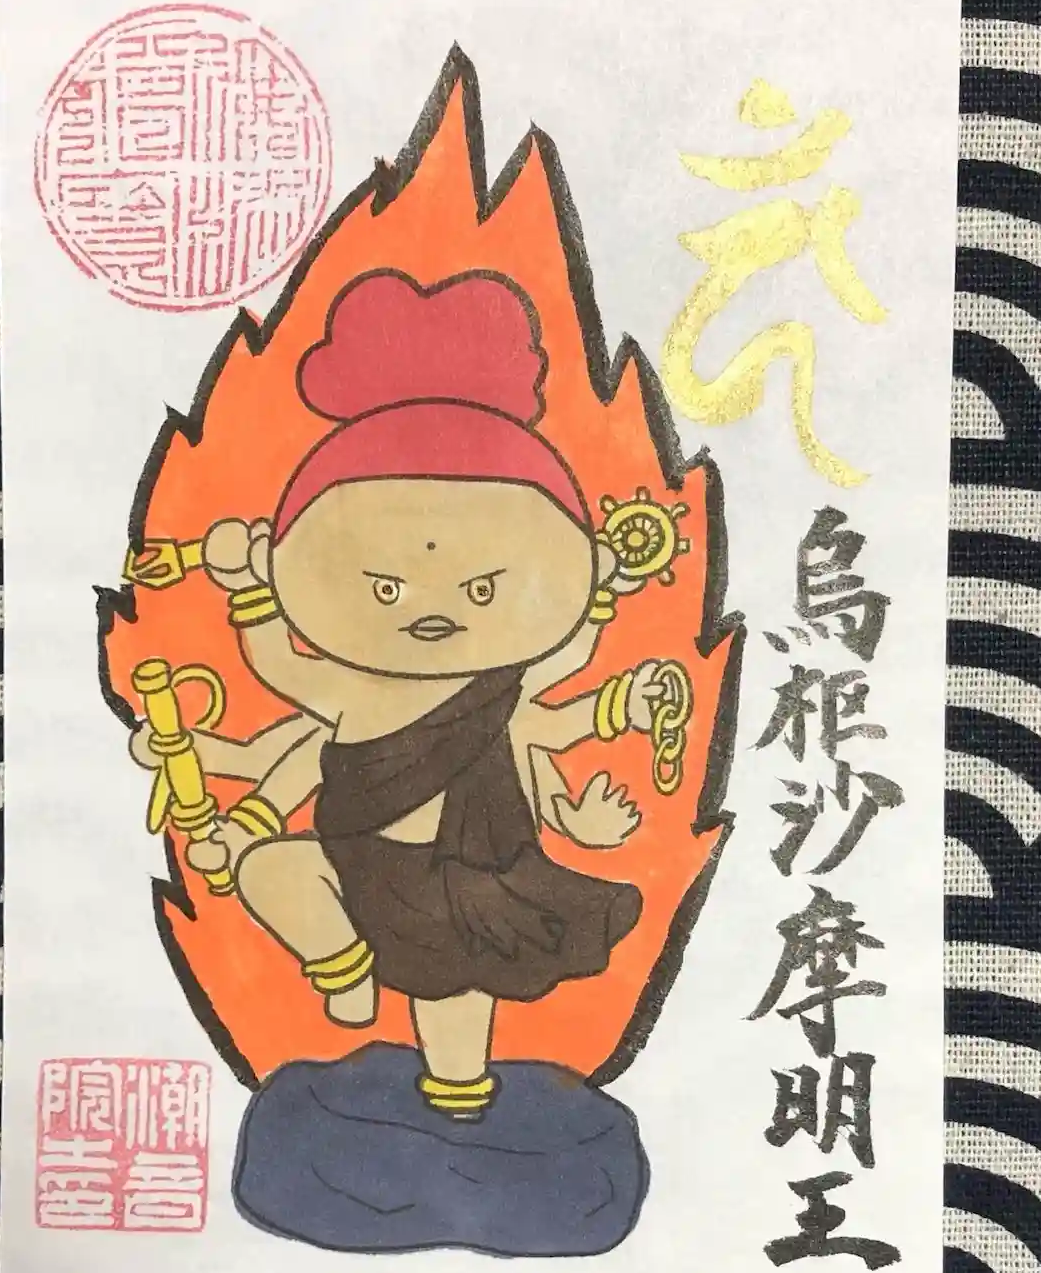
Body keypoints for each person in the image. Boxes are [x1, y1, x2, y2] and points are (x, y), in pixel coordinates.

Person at [132, 269, 667, 1119]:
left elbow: (563, 707)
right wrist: (246, 595)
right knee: (269, 868)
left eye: (482, 590)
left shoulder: (501, 689)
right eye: (385, 588)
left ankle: (458, 1099)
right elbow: (278, 674)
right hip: (356, 872)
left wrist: (583, 806)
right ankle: (339, 966)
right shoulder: (351, 688)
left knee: (457, 998)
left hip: (470, 882)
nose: (432, 610)